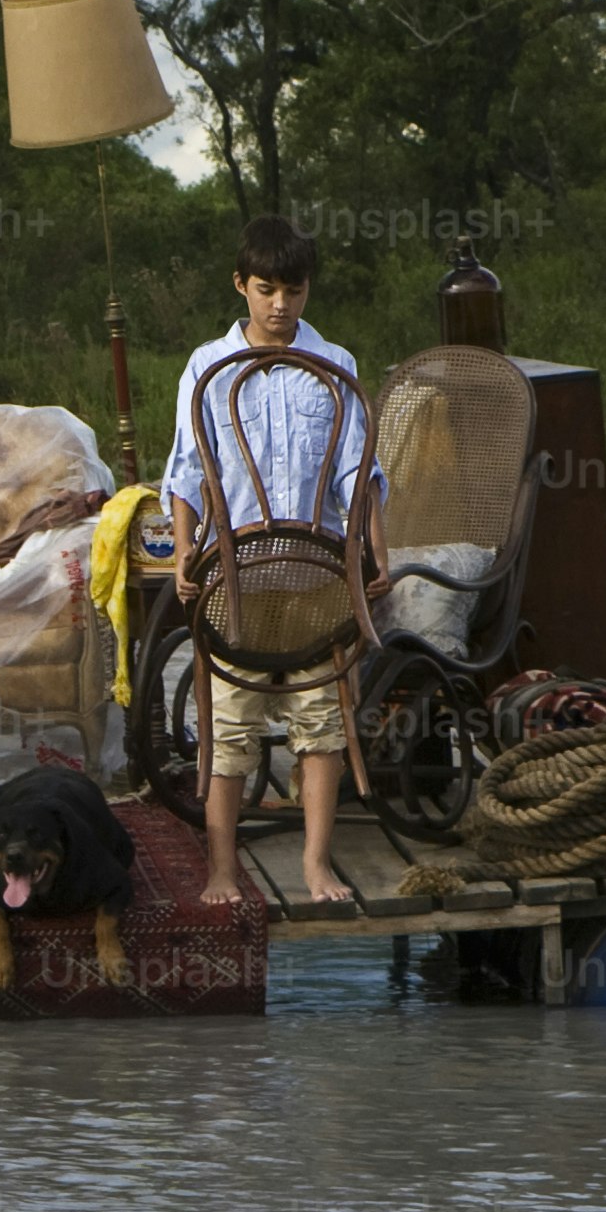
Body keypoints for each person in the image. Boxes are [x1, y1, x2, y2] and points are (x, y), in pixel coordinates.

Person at [162, 217, 381, 908]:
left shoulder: (335, 362)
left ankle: (317, 863)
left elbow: (359, 470)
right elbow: (189, 467)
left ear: (308, 289)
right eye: (266, 290)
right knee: (230, 724)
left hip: (318, 567)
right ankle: (224, 868)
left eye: (293, 290)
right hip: (239, 569)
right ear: (241, 286)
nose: (280, 305)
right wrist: (183, 550)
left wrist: (375, 549)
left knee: (319, 718)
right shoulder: (206, 365)